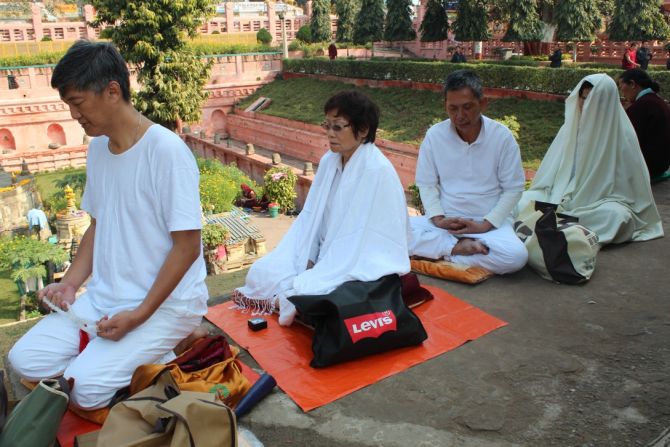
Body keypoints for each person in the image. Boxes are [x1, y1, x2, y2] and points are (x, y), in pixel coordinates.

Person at [8, 41, 208, 409]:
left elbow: (187, 247)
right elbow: (98, 227)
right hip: (107, 297)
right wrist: (69, 285)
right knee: (24, 360)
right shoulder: (99, 149)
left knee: (83, 391)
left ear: (112, 91)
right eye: (69, 105)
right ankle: (131, 353)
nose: (73, 115)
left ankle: (171, 340)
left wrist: (139, 315)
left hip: (163, 304)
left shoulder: (165, 151)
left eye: (78, 102)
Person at [233, 90, 409, 326]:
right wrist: (309, 255)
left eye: (338, 127)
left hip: (357, 259)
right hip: (323, 253)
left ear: (363, 129)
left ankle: (290, 301)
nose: (330, 134)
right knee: (261, 272)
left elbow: (364, 238)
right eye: (326, 126)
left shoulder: (377, 171)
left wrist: (324, 266)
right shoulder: (329, 160)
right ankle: (289, 298)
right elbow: (312, 217)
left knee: (311, 288)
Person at [517, 74, 663, 246]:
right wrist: (561, 193)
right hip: (560, 195)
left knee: (616, 217)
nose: (587, 105)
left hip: (600, 202)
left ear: (607, 102)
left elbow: (630, 189)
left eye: (594, 100)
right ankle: (564, 227)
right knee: (520, 201)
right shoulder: (570, 129)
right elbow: (552, 173)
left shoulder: (622, 134)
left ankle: (557, 226)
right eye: (584, 98)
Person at [408, 70, 528, 275]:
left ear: (483, 103)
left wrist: (484, 225)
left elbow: (513, 189)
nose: (460, 116)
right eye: (452, 108)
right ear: (445, 106)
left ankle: (439, 251)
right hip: (444, 224)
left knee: (516, 257)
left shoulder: (502, 138)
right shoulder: (435, 136)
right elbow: (426, 184)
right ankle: (456, 249)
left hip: (488, 226)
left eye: (467, 107)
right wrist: (438, 218)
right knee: (387, 230)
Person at [618, 69, 670, 179]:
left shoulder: (643, 105)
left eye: (621, 86)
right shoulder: (656, 101)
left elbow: (627, 140)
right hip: (661, 164)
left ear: (632, 84)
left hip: (648, 167)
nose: (621, 91)